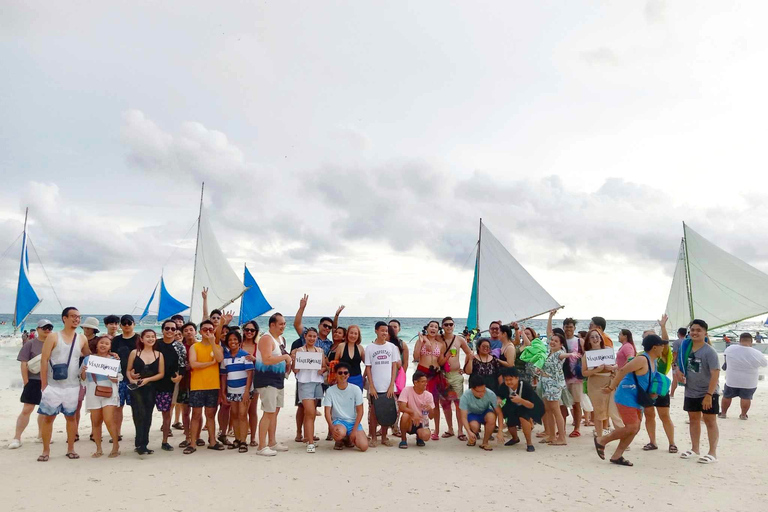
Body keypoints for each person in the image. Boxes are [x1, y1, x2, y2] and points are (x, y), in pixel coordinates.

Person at [594, 334, 667, 467]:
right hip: (626, 396)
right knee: (632, 426)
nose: (664, 347)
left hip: (637, 397)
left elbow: (647, 379)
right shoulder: (642, 359)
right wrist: (611, 387)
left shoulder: (653, 360)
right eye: (662, 345)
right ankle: (602, 440)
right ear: (655, 347)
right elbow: (622, 370)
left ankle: (617, 456)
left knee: (635, 428)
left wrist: (652, 393)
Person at [37, 307, 90, 462]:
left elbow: (88, 356)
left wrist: (109, 356)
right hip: (53, 386)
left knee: (71, 418)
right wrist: (44, 385)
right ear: (64, 318)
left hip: (73, 385)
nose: (76, 319)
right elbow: (44, 360)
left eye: (79, 317)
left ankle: (71, 448)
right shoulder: (53, 337)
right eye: (73, 316)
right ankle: (46, 451)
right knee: (48, 418)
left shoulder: (82, 338)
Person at [675, 319, 720, 464]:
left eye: (698, 330)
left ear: (705, 333)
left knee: (710, 421)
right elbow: (678, 364)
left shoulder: (709, 351)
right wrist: (678, 372)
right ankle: (695, 449)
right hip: (691, 391)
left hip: (707, 392)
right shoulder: (685, 347)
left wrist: (709, 395)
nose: (695, 333)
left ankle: (712, 453)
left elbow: (715, 374)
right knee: (693, 420)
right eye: (693, 330)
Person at [8, 318, 52, 449]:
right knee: (27, 409)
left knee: (45, 411)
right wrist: (26, 381)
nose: (48, 330)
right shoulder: (30, 344)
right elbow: (23, 364)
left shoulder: (53, 343)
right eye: (44, 328)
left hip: (49, 381)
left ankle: (41, 435)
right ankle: (17, 437)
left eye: (50, 328)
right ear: (38, 329)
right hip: (33, 381)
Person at [254, 313, 293, 456]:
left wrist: (288, 361)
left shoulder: (281, 339)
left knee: (275, 412)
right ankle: (261, 446)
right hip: (266, 380)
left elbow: (281, 356)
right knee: (268, 412)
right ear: (272, 325)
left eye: (284, 323)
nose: (283, 326)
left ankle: (272, 441)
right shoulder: (266, 338)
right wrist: (285, 357)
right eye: (281, 323)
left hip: (278, 379)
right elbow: (266, 359)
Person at [186, 319, 225, 454]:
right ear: (200, 332)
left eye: (211, 329)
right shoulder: (194, 347)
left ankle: (212, 441)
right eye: (205, 330)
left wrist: (213, 342)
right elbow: (193, 364)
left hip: (213, 385)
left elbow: (219, 359)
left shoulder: (217, 346)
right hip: (197, 385)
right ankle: (192, 442)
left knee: (210, 414)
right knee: (196, 414)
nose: (208, 332)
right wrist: (210, 363)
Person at [80, 336, 121, 458]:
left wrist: (114, 378)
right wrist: (83, 371)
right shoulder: (88, 359)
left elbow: (119, 376)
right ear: (96, 345)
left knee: (109, 420)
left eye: (107, 343)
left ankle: (115, 445)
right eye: (101, 343)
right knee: (96, 421)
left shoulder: (113, 359)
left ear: (110, 347)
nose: (103, 345)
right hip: (93, 389)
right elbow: (82, 379)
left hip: (109, 389)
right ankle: (99, 448)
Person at [126, 329, 165, 455]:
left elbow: (161, 374)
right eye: (147, 336)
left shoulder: (158, 354)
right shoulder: (134, 352)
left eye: (153, 336)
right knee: (138, 414)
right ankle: (139, 443)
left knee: (148, 415)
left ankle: (144, 444)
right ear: (141, 339)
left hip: (151, 388)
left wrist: (147, 380)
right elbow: (128, 370)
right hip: (136, 388)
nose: (151, 339)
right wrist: (131, 379)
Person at [642, 316, 677, 453]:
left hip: (660, 388)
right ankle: (652, 442)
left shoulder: (662, 354)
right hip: (646, 390)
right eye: (646, 337)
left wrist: (663, 327)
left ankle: (672, 443)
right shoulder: (642, 355)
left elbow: (666, 342)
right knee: (649, 416)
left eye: (651, 337)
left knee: (665, 416)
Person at [292, 327, 328, 453]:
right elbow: (295, 370)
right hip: (305, 383)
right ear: (305, 337)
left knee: (310, 414)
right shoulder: (300, 351)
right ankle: (311, 443)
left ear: (317, 338)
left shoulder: (320, 351)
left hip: (317, 383)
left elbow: (324, 366)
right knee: (310, 412)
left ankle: (308, 436)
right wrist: (293, 360)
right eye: (310, 336)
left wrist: (322, 370)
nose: (312, 338)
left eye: (314, 336)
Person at [364, 321, 399, 447]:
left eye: (386, 331)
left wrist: (391, 385)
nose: (384, 333)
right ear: (376, 331)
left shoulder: (392, 347)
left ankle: (384, 437)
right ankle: (373, 437)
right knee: (373, 413)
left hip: (388, 386)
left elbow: (394, 366)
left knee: (386, 411)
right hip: (375, 387)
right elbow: (368, 368)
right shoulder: (369, 348)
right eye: (382, 330)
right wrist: (371, 386)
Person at [219, 329, 254, 453]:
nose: (232, 342)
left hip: (244, 391)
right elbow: (224, 376)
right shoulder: (225, 358)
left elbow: (250, 375)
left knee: (242, 414)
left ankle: (244, 441)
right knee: (234, 415)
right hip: (231, 390)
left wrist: (246, 392)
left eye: (235, 339)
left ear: (239, 341)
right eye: (230, 340)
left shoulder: (245, 355)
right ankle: (237, 439)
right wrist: (223, 392)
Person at [720, 332, 767, 420]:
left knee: (727, 396)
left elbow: (726, 357)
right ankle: (743, 415)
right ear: (751, 341)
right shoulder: (757, 353)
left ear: (740, 340)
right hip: (749, 381)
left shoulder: (730, 349)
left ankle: (723, 413)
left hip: (732, 379)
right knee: (746, 398)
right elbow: (764, 364)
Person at [438, 316, 471, 441]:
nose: (448, 327)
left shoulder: (459, 340)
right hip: (442, 375)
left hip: (456, 375)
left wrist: (465, 368)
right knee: (445, 404)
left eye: (451, 324)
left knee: (458, 404)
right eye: (446, 324)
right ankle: (450, 429)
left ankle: (460, 430)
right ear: (442, 326)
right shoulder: (438, 339)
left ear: (454, 325)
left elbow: (469, 353)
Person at [537, 332, 573, 446]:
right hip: (546, 384)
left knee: (556, 411)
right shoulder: (548, 353)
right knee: (548, 410)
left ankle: (562, 437)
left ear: (561, 344)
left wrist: (572, 354)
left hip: (554, 385)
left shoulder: (559, 353)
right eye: (552, 340)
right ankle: (551, 436)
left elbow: (563, 355)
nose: (552, 342)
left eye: (556, 341)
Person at [581, 329, 619, 438]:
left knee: (614, 410)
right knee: (598, 411)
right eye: (592, 337)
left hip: (610, 381)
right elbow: (584, 373)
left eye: (597, 336)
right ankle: (600, 437)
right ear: (588, 340)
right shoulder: (586, 355)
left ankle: (622, 436)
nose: (595, 339)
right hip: (595, 384)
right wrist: (596, 370)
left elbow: (616, 365)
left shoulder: (608, 350)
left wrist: (612, 367)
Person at [155, 319, 185, 451]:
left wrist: (179, 377)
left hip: (169, 384)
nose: (170, 331)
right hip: (152, 382)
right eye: (167, 328)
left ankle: (165, 441)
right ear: (162, 330)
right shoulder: (155, 344)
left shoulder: (179, 347)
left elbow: (183, 365)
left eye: (173, 329)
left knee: (166, 414)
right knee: (144, 412)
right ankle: (141, 441)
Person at [413, 320, 447, 441]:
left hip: (435, 374)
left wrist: (449, 357)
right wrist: (422, 342)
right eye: (431, 326)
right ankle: (420, 429)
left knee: (435, 403)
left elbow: (441, 361)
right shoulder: (420, 341)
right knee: (419, 402)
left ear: (438, 330)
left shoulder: (440, 344)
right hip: (422, 372)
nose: (433, 328)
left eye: (436, 327)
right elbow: (416, 357)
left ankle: (436, 430)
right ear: (427, 328)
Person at [324, 362, 368, 451]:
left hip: (353, 422)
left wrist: (355, 430)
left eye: (345, 373)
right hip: (339, 422)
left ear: (349, 375)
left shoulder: (356, 389)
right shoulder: (330, 391)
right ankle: (342, 439)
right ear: (336, 374)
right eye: (340, 373)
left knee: (364, 447)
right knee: (339, 434)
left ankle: (348, 438)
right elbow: (327, 412)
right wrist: (331, 427)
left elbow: (360, 411)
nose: (343, 375)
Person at [497, 367, 543, 452]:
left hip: (526, 406)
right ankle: (515, 438)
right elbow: (499, 395)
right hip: (511, 406)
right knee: (510, 422)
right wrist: (499, 399)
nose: (508, 382)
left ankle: (529, 443)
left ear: (517, 378)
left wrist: (520, 400)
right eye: (506, 380)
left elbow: (532, 405)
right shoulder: (504, 386)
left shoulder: (525, 386)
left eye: (511, 379)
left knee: (523, 418)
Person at [111, 314, 140, 442]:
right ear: (121, 325)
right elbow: (110, 355)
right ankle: (117, 433)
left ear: (134, 324)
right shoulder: (116, 340)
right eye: (124, 323)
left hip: (135, 378)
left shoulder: (139, 339)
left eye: (129, 322)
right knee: (118, 407)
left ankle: (139, 433)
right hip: (119, 377)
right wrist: (112, 354)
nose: (127, 325)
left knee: (136, 407)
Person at [459, 375, 505, 450]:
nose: (482, 393)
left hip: (485, 412)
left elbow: (499, 413)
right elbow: (463, 417)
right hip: (472, 414)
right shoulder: (465, 396)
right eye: (479, 391)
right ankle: (473, 435)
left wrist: (500, 431)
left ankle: (485, 442)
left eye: (484, 390)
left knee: (491, 417)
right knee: (474, 427)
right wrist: (468, 431)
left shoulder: (490, 394)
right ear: (472, 389)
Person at [397, 370, 436, 448]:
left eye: (426, 381)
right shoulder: (407, 390)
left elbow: (431, 417)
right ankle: (403, 439)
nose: (425, 383)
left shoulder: (428, 395)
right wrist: (413, 412)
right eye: (423, 382)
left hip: (422, 422)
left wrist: (430, 409)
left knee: (426, 436)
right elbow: (401, 407)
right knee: (405, 415)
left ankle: (419, 437)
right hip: (410, 421)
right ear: (416, 383)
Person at [176, 322, 196, 448]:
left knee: (198, 412)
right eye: (186, 330)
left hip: (198, 382)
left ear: (195, 331)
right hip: (184, 382)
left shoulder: (200, 346)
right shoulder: (180, 348)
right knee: (185, 412)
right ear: (183, 333)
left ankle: (197, 436)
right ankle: (188, 437)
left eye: (191, 330)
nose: (188, 332)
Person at [241, 320, 261, 447]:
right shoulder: (238, 344)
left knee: (252, 410)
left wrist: (255, 359)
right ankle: (241, 437)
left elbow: (265, 361)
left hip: (254, 380)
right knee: (240, 411)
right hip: (239, 380)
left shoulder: (258, 346)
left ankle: (253, 437)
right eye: (247, 330)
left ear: (256, 332)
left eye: (252, 330)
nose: (249, 332)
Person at [335, 325, 366, 390]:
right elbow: (335, 364)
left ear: (358, 336)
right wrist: (335, 378)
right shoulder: (341, 346)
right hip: (342, 379)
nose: (353, 336)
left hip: (357, 379)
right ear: (347, 334)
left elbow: (368, 364)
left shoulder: (360, 348)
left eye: (355, 334)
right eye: (351, 333)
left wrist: (364, 376)